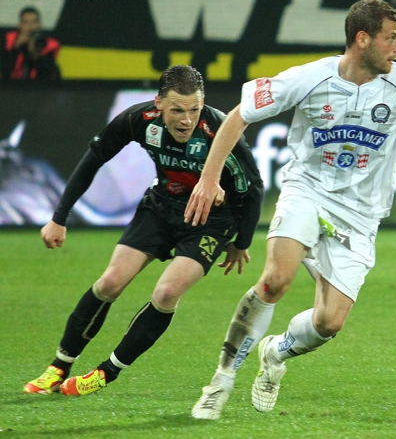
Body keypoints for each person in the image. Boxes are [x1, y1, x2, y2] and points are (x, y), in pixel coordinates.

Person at [186, 0, 396, 420]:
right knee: (275, 281)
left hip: (361, 214)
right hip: (308, 190)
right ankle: (220, 381)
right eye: (391, 38)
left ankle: (275, 353)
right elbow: (238, 116)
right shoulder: (309, 78)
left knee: (330, 323)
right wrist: (209, 178)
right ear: (362, 40)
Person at [23, 65, 264, 397]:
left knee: (166, 294)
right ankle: (59, 365)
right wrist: (59, 217)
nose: (186, 119)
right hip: (160, 208)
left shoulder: (219, 129)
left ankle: (105, 373)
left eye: (194, 109)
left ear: (203, 102)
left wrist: (242, 241)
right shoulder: (140, 119)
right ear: (159, 103)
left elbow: (252, 187)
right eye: (177, 110)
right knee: (109, 282)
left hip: (210, 223)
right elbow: (95, 157)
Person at [1, 6, 61, 80]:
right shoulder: (8, 39)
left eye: (34, 22)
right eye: (26, 22)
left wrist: (35, 54)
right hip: (9, 85)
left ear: (39, 24)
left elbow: (49, 72)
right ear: (20, 25)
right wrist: (16, 47)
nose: (30, 26)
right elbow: (4, 68)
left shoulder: (50, 44)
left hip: (36, 86)